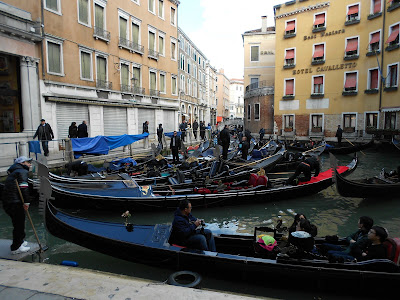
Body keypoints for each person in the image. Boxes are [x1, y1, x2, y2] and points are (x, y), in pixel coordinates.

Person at [1, 156, 32, 254]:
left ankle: (20, 241)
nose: (30, 164)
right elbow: (24, 187)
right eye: (28, 162)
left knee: (18, 223)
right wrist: (26, 202)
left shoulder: (14, 172)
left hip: (9, 202)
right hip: (15, 203)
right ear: (22, 163)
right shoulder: (22, 172)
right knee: (19, 224)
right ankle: (16, 248)